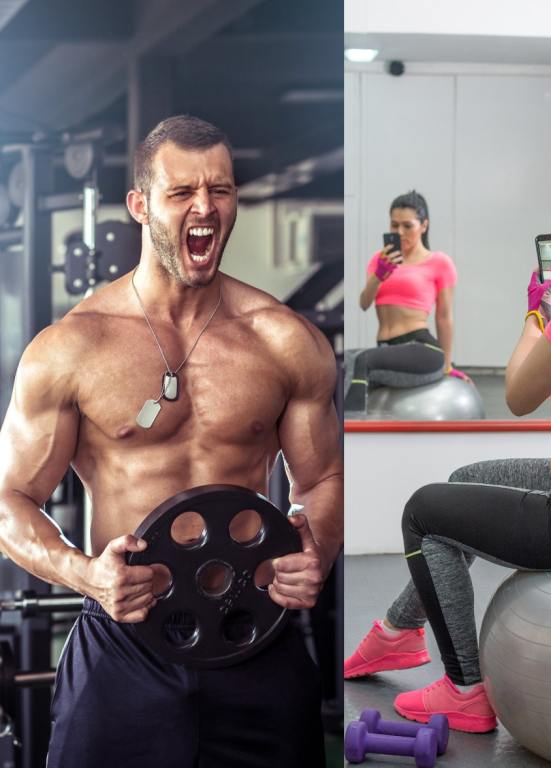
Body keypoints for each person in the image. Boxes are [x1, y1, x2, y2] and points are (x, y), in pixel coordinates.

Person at [0, 116, 342, 767]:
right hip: (127, 646)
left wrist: (316, 549)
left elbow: (323, 480)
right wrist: (85, 575)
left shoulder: (282, 339)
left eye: (221, 189)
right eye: (182, 192)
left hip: (257, 636)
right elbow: (10, 499)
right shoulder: (73, 347)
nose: (206, 207)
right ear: (140, 205)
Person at [343, 131, 551, 732]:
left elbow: (518, 395)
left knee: (424, 513)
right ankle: (396, 631)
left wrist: (535, 316)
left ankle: (463, 689)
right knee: (465, 482)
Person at [346, 191, 458, 411]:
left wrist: (448, 365)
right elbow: (364, 302)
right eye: (394, 225)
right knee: (344, 359)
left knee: (362, 361)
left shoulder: (439, 263)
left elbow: (444, 317)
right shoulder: (380, 260)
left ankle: (351, 430)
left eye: (408, 226)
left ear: (424, 225)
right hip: (388, 348)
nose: (400, 232)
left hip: (421, 348)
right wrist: (379, 275)